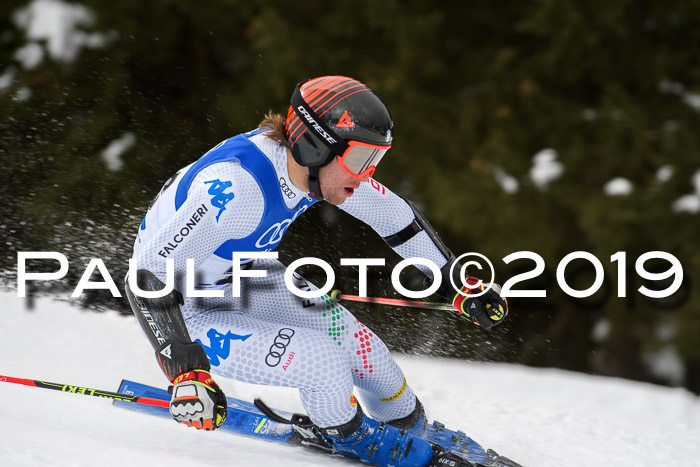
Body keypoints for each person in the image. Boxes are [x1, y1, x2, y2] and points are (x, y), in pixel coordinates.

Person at [125, 76, 508, 467]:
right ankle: (354, 437)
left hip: (248, 277)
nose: (367, 175)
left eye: (376, 160)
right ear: (314, 146)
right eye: (361, 160)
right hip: (187, 311)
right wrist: (185, 371)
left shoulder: (313, 170)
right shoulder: (236, 189)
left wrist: (454, 284)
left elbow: (395, 217)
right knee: (324, 364)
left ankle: (414, 431)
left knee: (370, 356)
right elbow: (145, 276)